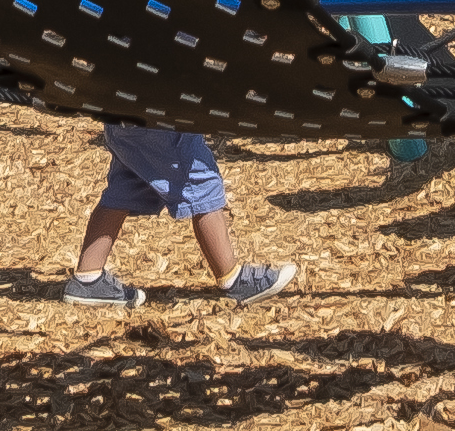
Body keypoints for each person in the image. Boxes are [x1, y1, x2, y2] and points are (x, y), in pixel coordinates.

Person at [70, 121, 294, 306]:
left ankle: (88, 278)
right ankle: (233, 279)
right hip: (160, 121)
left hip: (122, 120)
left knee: (126, 186)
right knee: (203, 183)